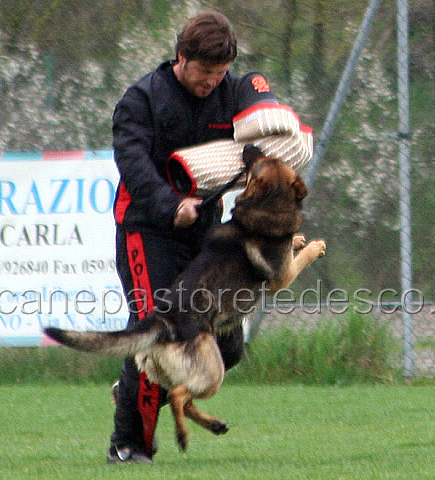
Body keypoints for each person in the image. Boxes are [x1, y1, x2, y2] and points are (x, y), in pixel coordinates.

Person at [109, 10, 278, 464]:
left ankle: (132, 386)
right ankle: (130, 446)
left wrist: (271, 108)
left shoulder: (233, 91)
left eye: (220, 74)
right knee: (157, 334)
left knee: (225, 346)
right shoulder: (141, 99)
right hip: (146, 228)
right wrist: (171, 205)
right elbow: (133, 164)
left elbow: (266, 101)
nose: (211, 83)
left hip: (207, 231)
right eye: (204, 73)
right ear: (181, 57)